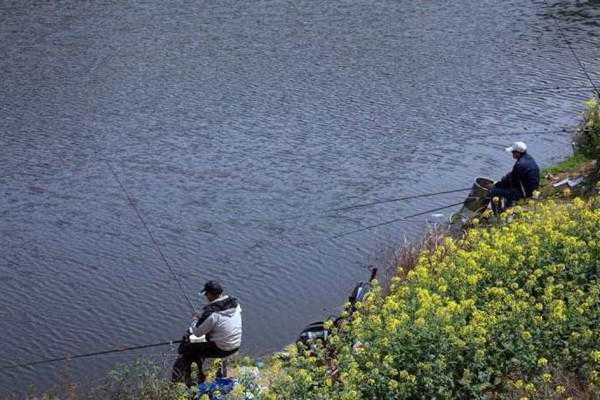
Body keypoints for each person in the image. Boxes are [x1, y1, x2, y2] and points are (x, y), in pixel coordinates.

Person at [172, 280, 242, 387]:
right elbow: (222, 321)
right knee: (200, 341)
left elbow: (197, 332)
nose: (206, 297)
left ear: (209, 294)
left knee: (188, 342)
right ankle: (207, 372)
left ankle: (188, 379)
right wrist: (203, 316)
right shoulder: (235, 304)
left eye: (206, 294)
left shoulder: (212, 313)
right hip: (236, 345)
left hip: (222, 349)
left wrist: (196, 319)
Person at [489, 141, 540, 213]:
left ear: (518, 153)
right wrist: (504, 180)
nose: (512, 153)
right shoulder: (529, 159)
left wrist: (496, 184)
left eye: (513, 152)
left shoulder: (520, 164)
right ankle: (507, 207)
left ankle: (497, 213)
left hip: (525, 193)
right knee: (508, 188)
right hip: (533, 189)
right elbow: (514, 175)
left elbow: (510, 181)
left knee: (494, 191)